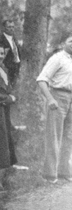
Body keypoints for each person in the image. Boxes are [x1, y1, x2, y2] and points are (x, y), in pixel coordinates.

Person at [36, 35, 72, 183]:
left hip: (71, 99)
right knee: (54, 135)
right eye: (70, 41)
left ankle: (65, 170)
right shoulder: (57, 58)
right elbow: (42, 80)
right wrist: (50, 99)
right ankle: (50, 173)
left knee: (69, 136)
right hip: (58, 97)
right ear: (63, 44)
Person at [0, 48, 27, 189]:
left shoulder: (3, 68)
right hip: (2, 105)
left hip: (4, 110)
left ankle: (4, 177)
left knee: (4, 143)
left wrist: (11, 96)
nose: (0, 56)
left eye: (2, 54)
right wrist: (8, 98)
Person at [0, 18, 21, 87]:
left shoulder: (14, 39)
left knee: (15, 88)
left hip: (17, 68)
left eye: (13, 27)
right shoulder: (1, 39)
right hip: (7, 68)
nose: (11, 29)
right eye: (9, 27)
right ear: (4, 28)